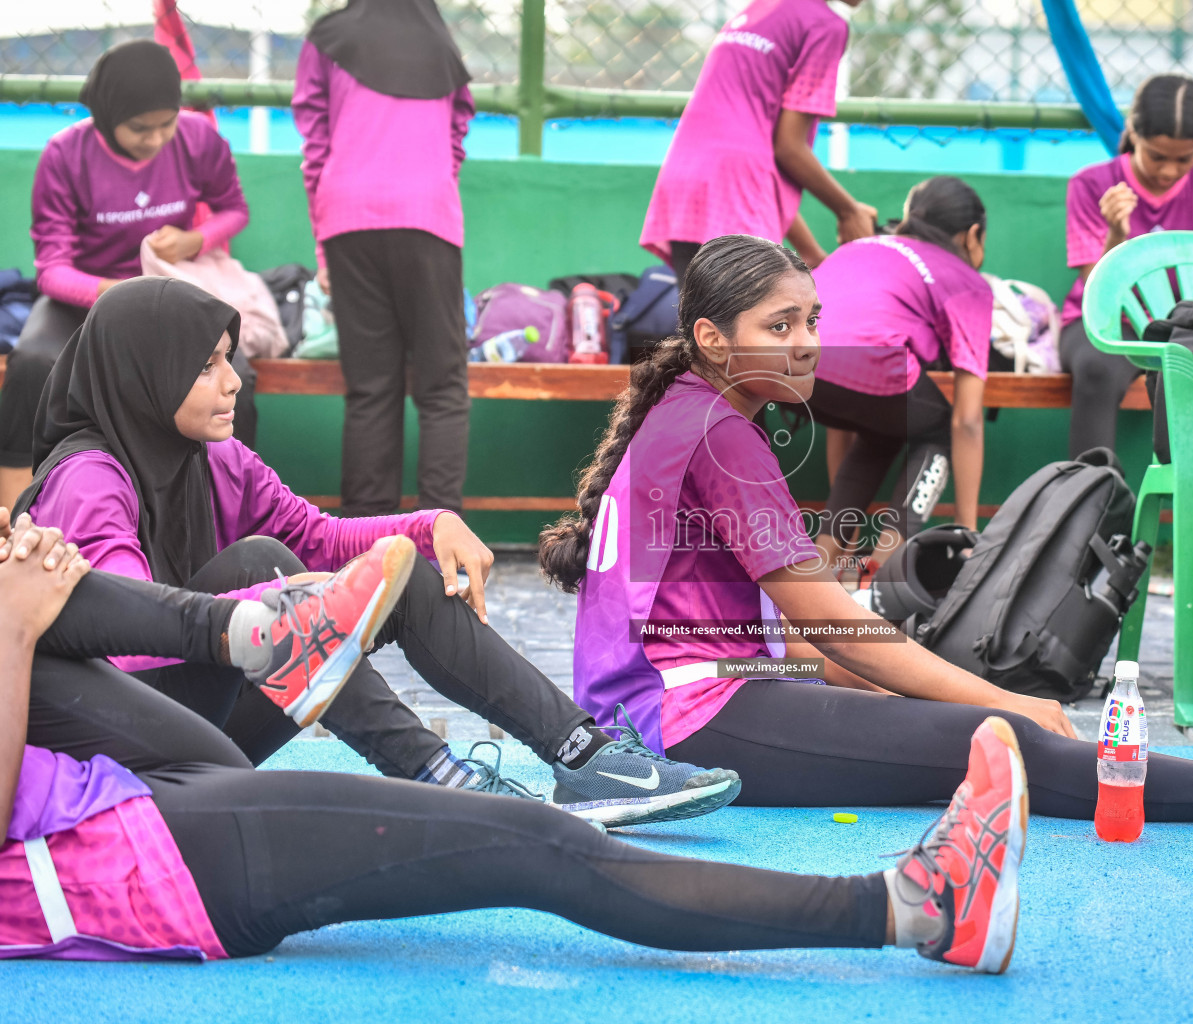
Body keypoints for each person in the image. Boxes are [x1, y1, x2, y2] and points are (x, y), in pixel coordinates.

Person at [539, 233, 1193, 827]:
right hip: (678, 725)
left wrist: (910, 688)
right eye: (779, 325)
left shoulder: (696, 414)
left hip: (686, 696)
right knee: (994, 742)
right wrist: (996, 700)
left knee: (949, 706)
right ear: (710, 339)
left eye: (812, 318)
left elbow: (767, 636)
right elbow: (822, 620)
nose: (808, 342)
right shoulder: (720, 433)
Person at [0, 519, 1028, 972]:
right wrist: (15, 620)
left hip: (124, 784)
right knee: (535, 846)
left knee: (28, 610)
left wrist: (29, 597)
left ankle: (252, 633)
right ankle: (914, 908)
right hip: (150, 860)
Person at [12, 277, 738, 829]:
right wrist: (289, 612)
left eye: (228, 360)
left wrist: (430, 525)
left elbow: (321, 538)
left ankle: (582, 756)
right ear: (145, 376)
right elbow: (127, 644)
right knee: (259, 565)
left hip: (198, 726)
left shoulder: (217, 460)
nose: (233, 380)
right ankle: (432, 773)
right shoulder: (88, 479)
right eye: (205, 367)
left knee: (396, 570)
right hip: (113, 758)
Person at [0, 40, 256, 513]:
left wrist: (192, 240)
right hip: (84, 299)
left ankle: (226, 510)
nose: (156, 139)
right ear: (105, 116)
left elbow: (233, 209)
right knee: (32, 361)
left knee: (238, 376)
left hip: (167, 297)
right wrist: (119, 296)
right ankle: (20, 509)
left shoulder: (198, 139)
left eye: (167, 125)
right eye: (141, 128)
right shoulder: (64, 156)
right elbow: (52, 270)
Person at [292, 0, 475, 516]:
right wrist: (431, 180)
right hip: (428, 220)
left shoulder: (327, 38)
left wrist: (323, 244)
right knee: (442, 387)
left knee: (371, 389)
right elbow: (457, 131)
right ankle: (442, 533)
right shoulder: (440, 42)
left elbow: (315, 142)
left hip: (348, 220)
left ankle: (363, 542)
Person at [803, 177, 992, 572]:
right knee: (940, 429)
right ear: (973, 235)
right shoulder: (967, 281)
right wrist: (969, 534)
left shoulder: (857, 247)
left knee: (885, 429)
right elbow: (969, 420)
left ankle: (822, 570)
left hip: (791, 366)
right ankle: (884, 574)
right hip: (870, 365)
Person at [1058, 74, 1193, 458]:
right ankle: (1092, 493)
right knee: (1095, 368)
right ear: (1133, 134)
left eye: (1184, 159)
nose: (1168, 171)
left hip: (1187, 324)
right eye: (1156, 156)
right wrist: (1115, 236)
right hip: (1111, 322)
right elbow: (1097, 296)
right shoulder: (1092, 185)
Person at [639, 0, 878, 280]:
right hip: (734, 188)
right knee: (749, 319)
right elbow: (788, 148)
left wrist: (809, 251)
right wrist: (848, 211)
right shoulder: (826, 25)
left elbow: (759, 169)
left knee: (699, 319)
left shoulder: (760, 9)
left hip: (684, 183)